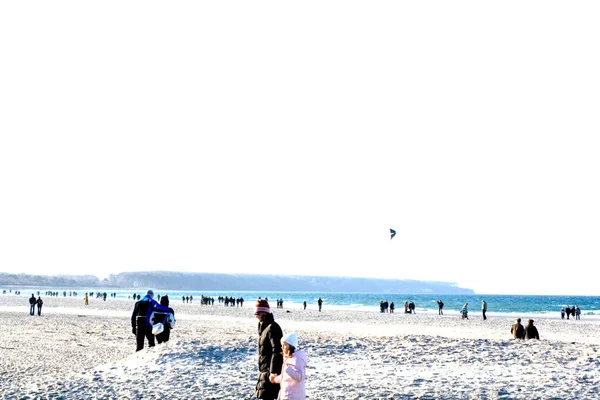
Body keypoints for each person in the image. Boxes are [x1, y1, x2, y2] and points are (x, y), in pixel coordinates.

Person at [254, 299, 283, 399]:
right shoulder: (263, 327)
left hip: (270, 371)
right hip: (264, 370)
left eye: (257, 313)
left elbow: (277, 351)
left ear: (264, 313)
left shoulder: (273, 327)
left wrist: (273, 371)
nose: (256, 315)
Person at [270, 332, 308, 400]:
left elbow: (299, 377)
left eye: (284, 345)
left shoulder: (297, 359)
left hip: (294, 396)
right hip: (286, 394)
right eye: (282, 345)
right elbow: (284, 377)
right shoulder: (288, 358)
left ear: (291, 346)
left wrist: (288, 370)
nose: (282, 347)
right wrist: (275, 379)